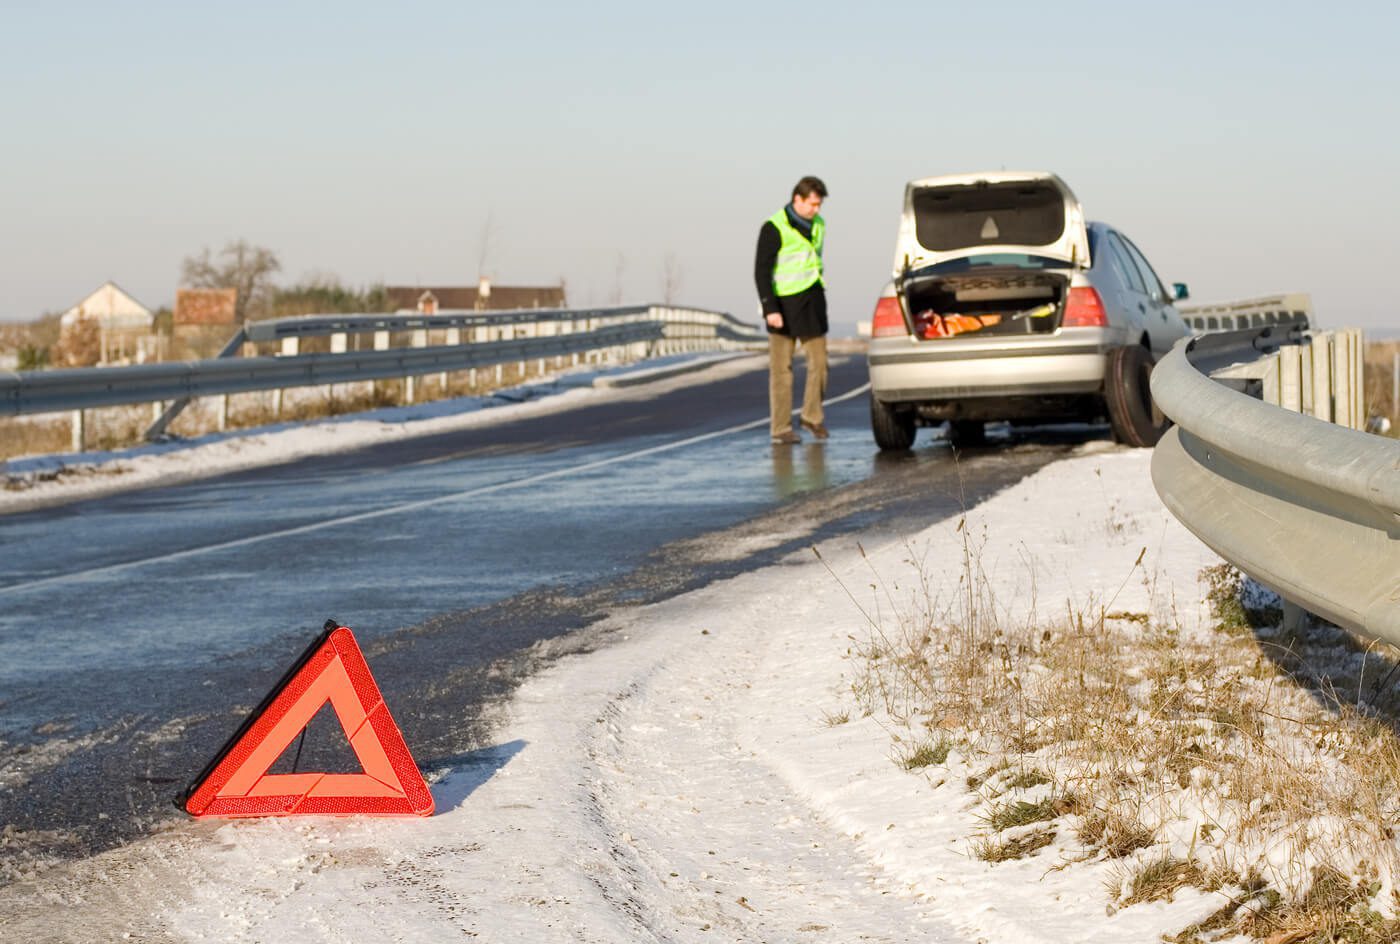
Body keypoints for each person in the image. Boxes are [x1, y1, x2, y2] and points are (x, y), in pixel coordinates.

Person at [755, 176, 829, 444]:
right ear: (797, 199)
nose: (816, 210)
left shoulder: (819, 224)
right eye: (812, 204)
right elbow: (761, 271)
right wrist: (769, 308)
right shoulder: (774, 227)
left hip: (811, 303)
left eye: (819, 205)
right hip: (782, 307)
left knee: (820, 364)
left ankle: (811, 416)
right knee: (781, 371)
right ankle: (781, 428)